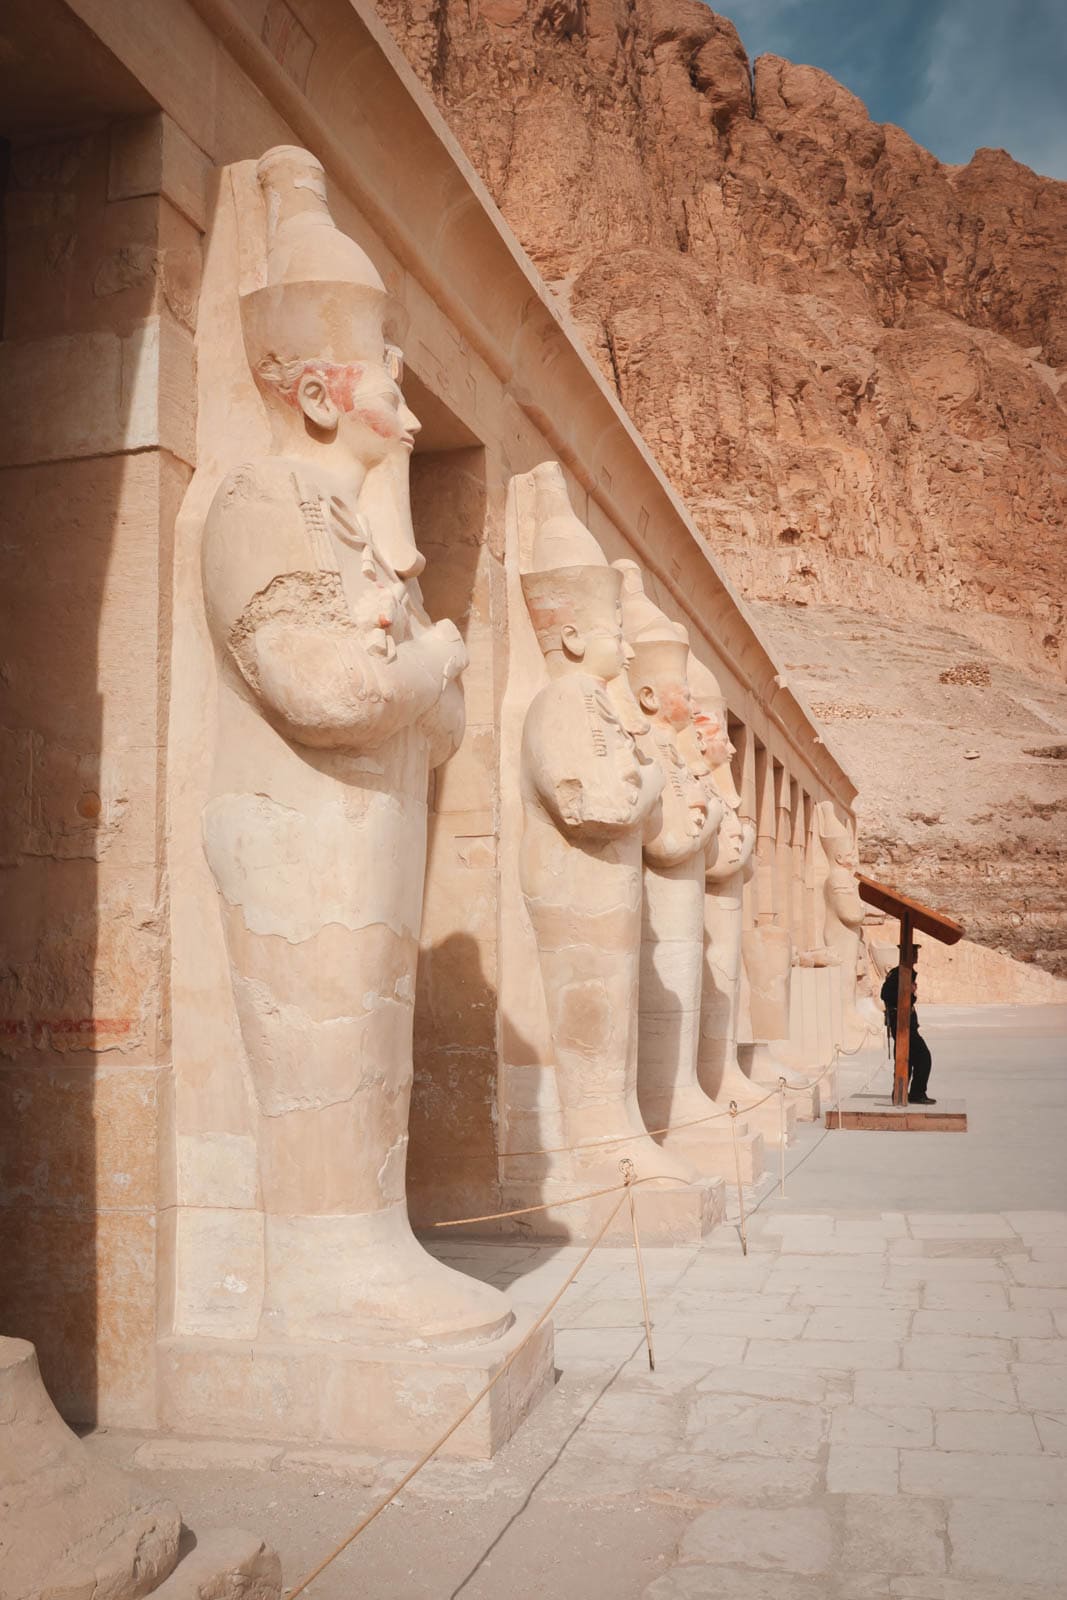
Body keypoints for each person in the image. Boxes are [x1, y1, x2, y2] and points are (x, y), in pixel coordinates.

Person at [880, 953, 935, 1104]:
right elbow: (885, 994)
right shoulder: (898, 973)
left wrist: (910, 992)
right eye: (913, 952)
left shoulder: (906, 972)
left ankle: (903, 1093)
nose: (916, 956)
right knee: (922, 1058)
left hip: (908, 1025)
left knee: (908, 1060)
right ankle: (912, 1093)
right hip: (902, 1026)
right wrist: (907, 991)